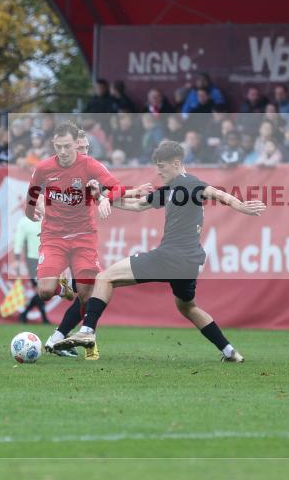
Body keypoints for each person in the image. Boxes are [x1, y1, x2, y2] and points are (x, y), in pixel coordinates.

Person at [52, 140, 266, 361]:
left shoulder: (188, 183)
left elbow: (215, 193)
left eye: (162, 167)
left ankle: (87, 331)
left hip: (171, 257)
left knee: (105, 278)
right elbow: (137, 205)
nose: (159, 172)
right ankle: (230, 352)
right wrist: (100, 198)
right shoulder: (170, 190)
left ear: (176, 163)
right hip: (188, 263)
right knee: (188, 307)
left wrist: (241, 206)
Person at [25, 122, 151, 357]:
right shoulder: (47, 169)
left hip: (83, 237)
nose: (69, 151)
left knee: (87, 295)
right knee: (46, 291)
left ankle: (79, 339)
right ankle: (66, 320)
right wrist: (34, 210)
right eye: (61, 146)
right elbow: (35, 195)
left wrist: (112, 197)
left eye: (81, 147)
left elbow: (114, 190)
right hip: (55, 236)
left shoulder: (91, 168)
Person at [13, 211, 49, 325]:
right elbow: (18, 240)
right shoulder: (25, 222)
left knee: (44, 289)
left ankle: (25, 314)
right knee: (40, 289)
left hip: (48, 259)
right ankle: (43, 318)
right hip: (33, 260)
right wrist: (16, 259)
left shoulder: (49, 219)